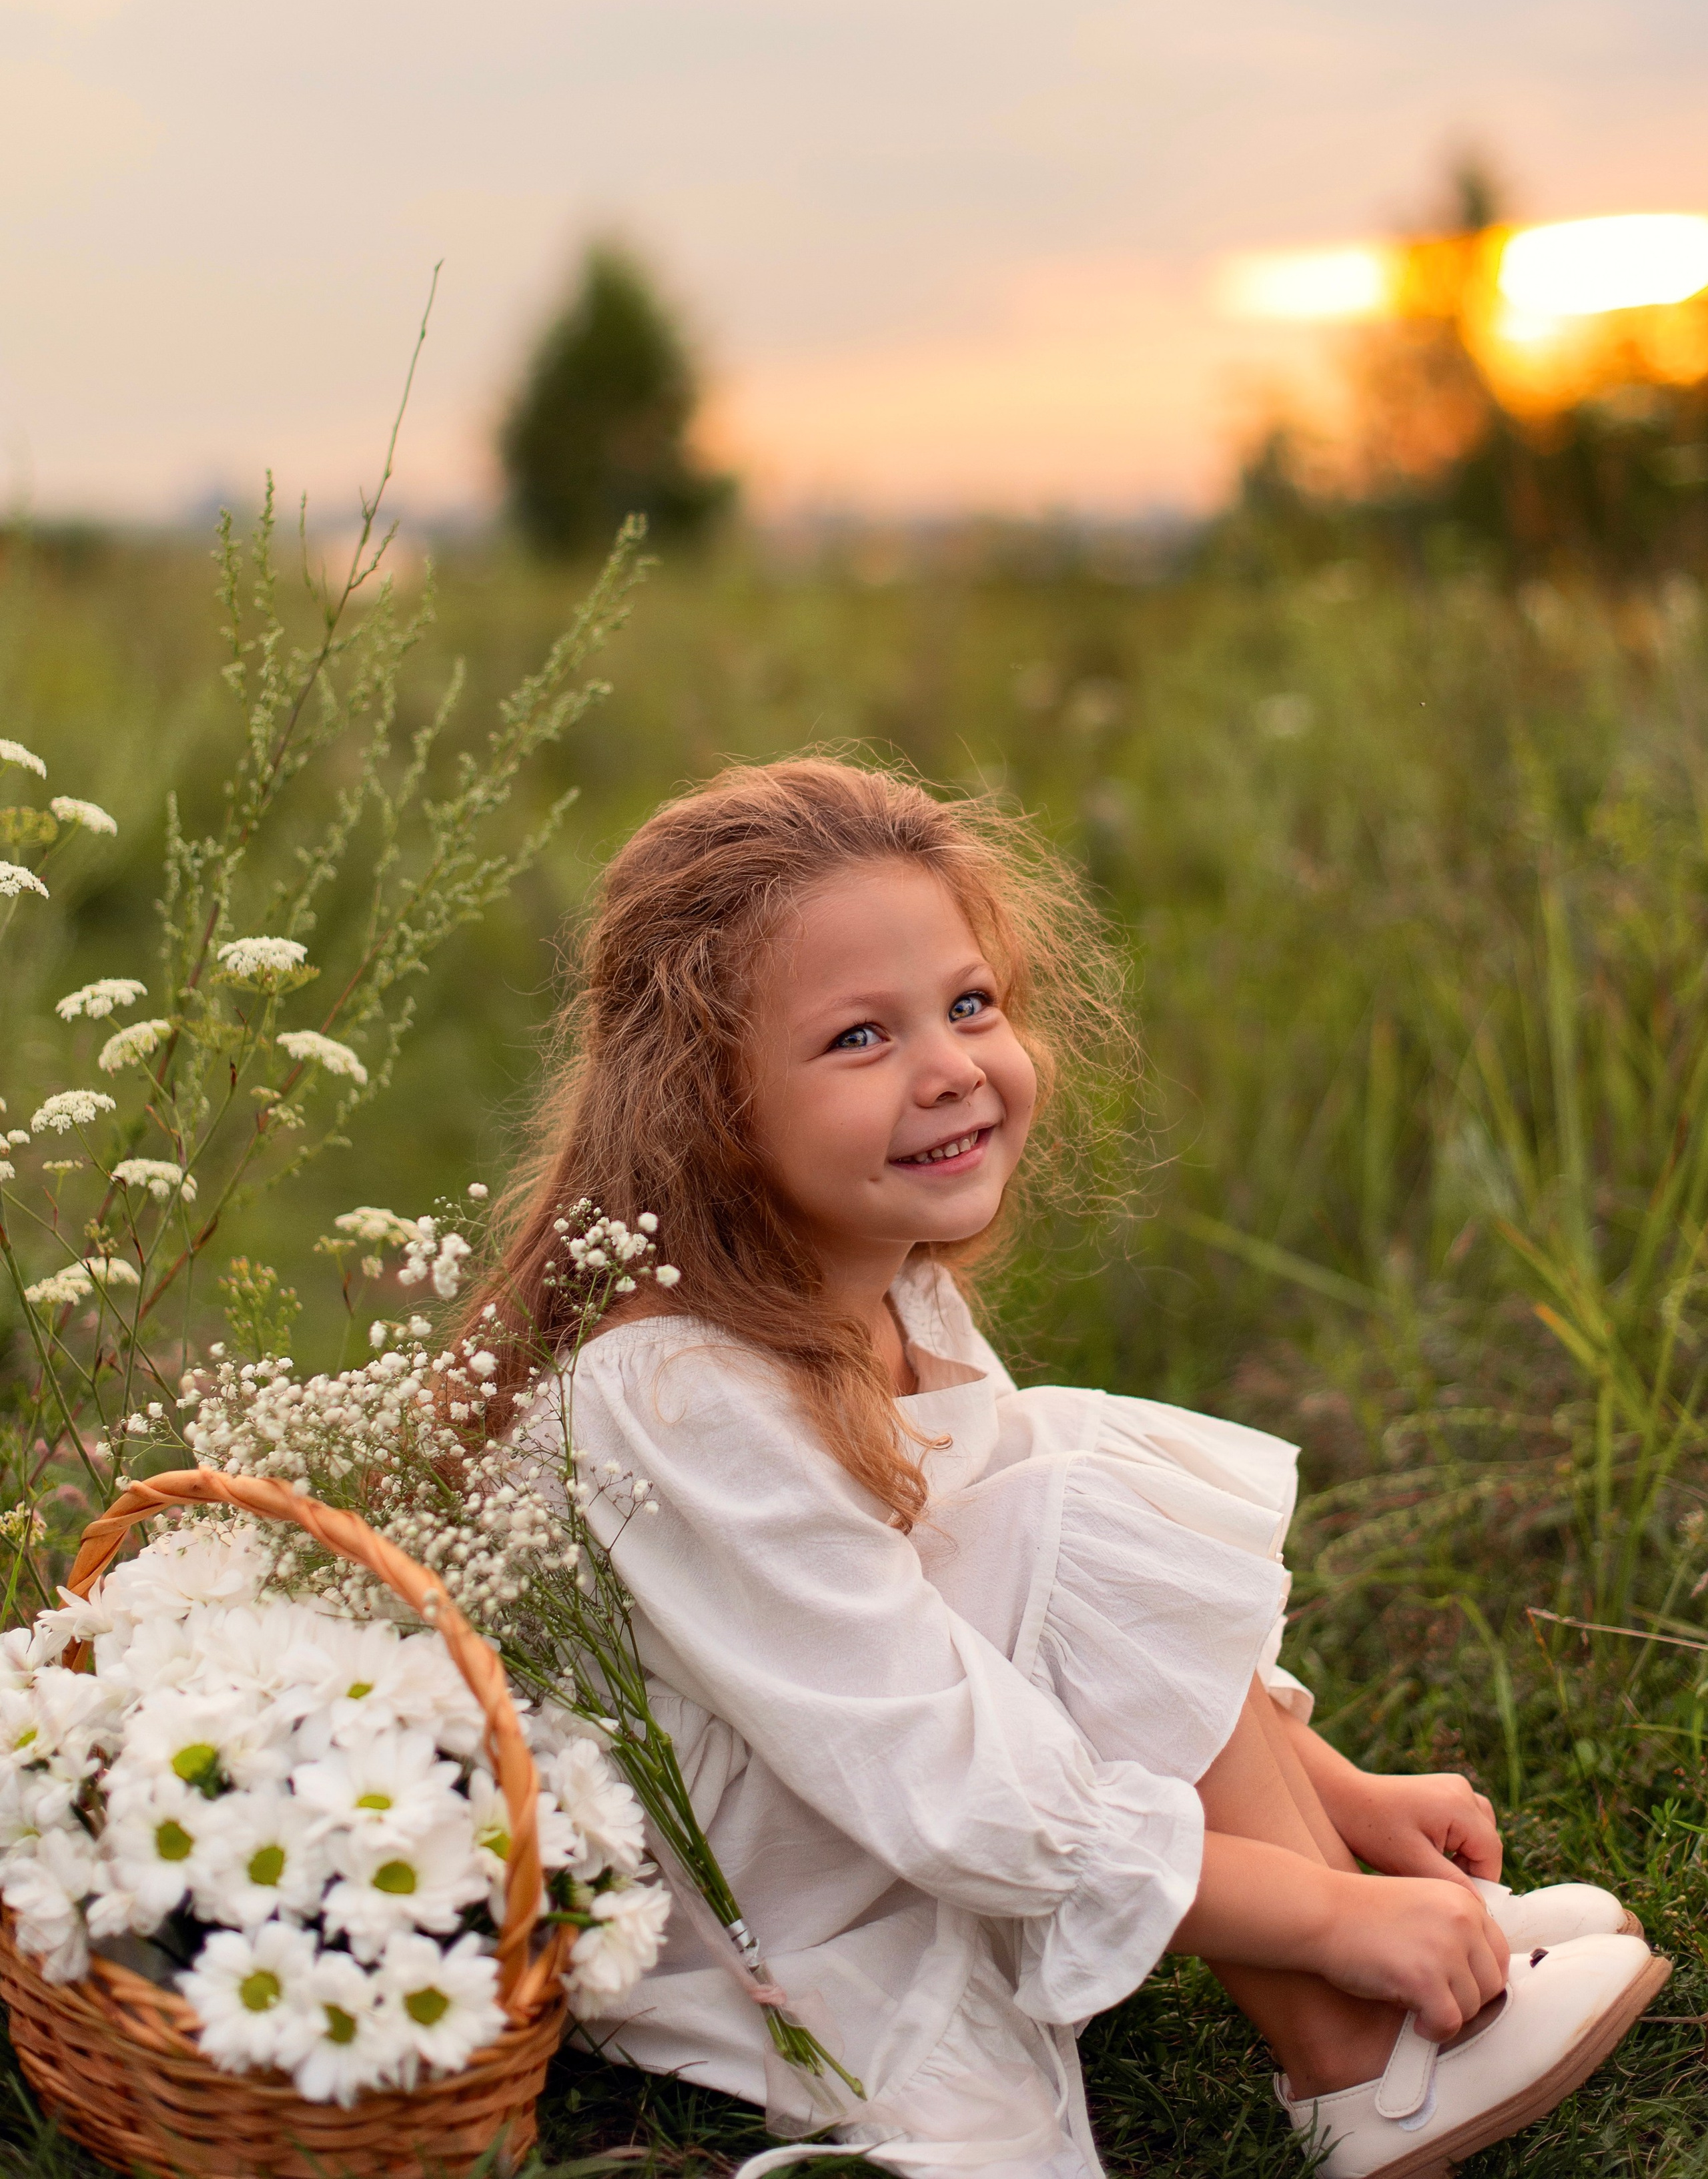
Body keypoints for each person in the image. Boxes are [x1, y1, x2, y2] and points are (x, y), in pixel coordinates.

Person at [474, 759, 1668, 2179]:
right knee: (1059, 1496)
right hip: (765, 1889)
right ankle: (1355, 2054)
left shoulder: (887, 1284)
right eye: (859, 1035)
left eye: (969, 1004)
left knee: (1043, 1480)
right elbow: (932, 1757)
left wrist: (1338, 1796)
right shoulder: (674, 1391)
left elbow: (1035, 1616)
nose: (948, 1067)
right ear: (706, 1101)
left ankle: (1362, 1928)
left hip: (876, 1781)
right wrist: (1326, 1914)